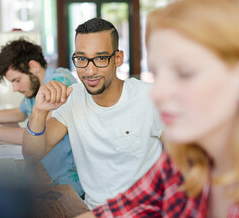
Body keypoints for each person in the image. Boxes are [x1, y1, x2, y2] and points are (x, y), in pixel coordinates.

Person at [77, 0, 239, 217]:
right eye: (157, 74)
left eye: (184, 73)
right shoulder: (185, 162)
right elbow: (115, 211)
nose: (158, 93)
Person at [22, 18, 163, 209]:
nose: (90, 70)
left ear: (118, 59)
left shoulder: (150, 98)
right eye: (82, 59)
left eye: (101, 58)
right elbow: (33, 153)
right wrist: (39, 112)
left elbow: (185, 166)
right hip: (93, 209)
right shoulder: (74, 98)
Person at [0, 38, 84, 196]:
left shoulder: (59, 83)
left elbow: (35, 135)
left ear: (33, 66)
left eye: (17, 80)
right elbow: (20, 112)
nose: (15, 88)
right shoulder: (34, 89)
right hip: (45, 179)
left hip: (66, 189)